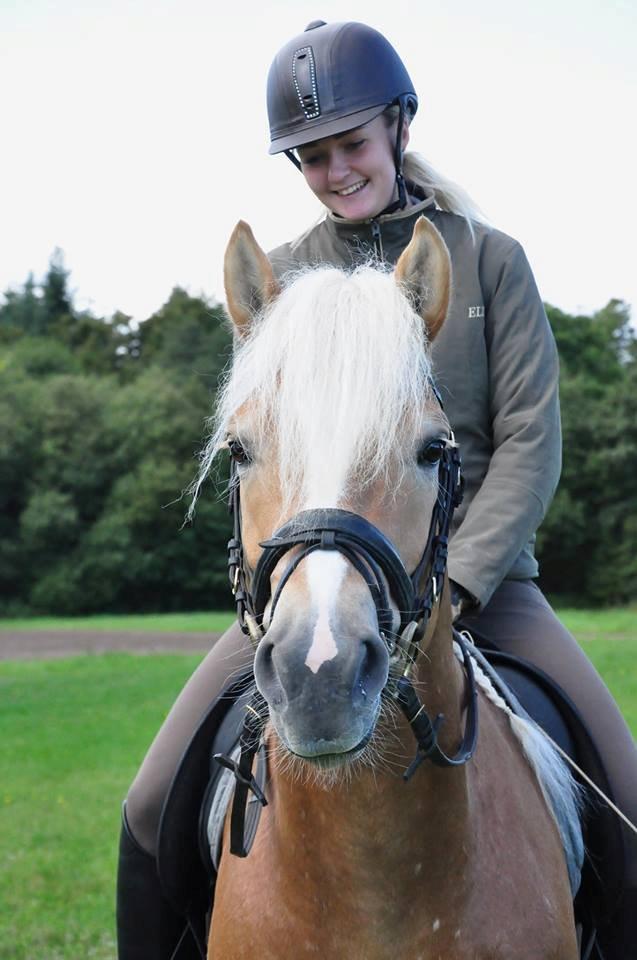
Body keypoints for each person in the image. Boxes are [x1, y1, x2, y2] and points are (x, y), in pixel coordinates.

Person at [117, 20, 637, 959]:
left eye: (350, 144)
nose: (334, 170)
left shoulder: (487, 262)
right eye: (311, 157)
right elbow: (268, 451)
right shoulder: (285, 283)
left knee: (628, 798)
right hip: (318, 590)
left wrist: (459, 583)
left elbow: (528, 441)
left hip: (482, 589)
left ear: (398, 126)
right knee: (152, 803)